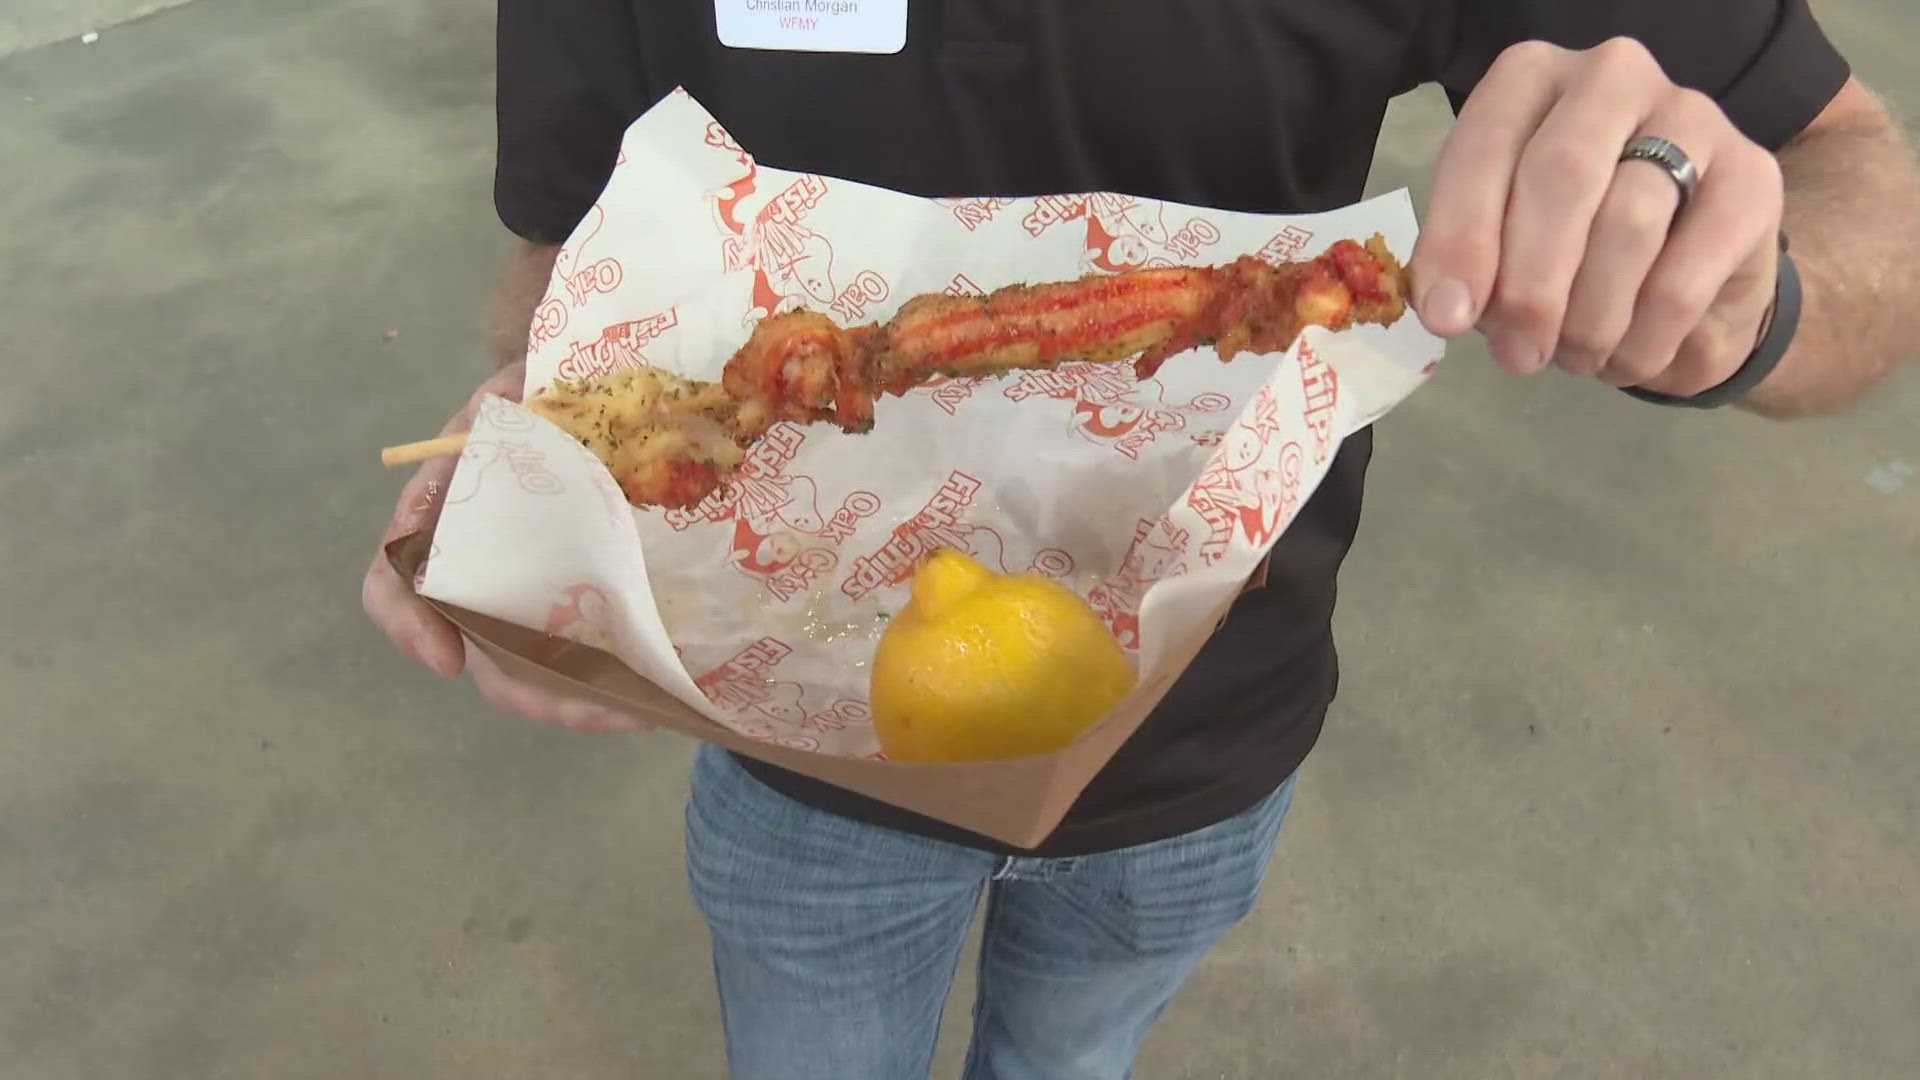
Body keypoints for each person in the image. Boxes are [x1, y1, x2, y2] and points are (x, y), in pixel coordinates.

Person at [365, 2, 1920, 1076]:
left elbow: (1867, 191)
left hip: (1202, 740)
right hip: (797, 755)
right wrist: (542, 449)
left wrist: (1746, 293)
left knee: (1076, 1056)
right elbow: (567, 238)